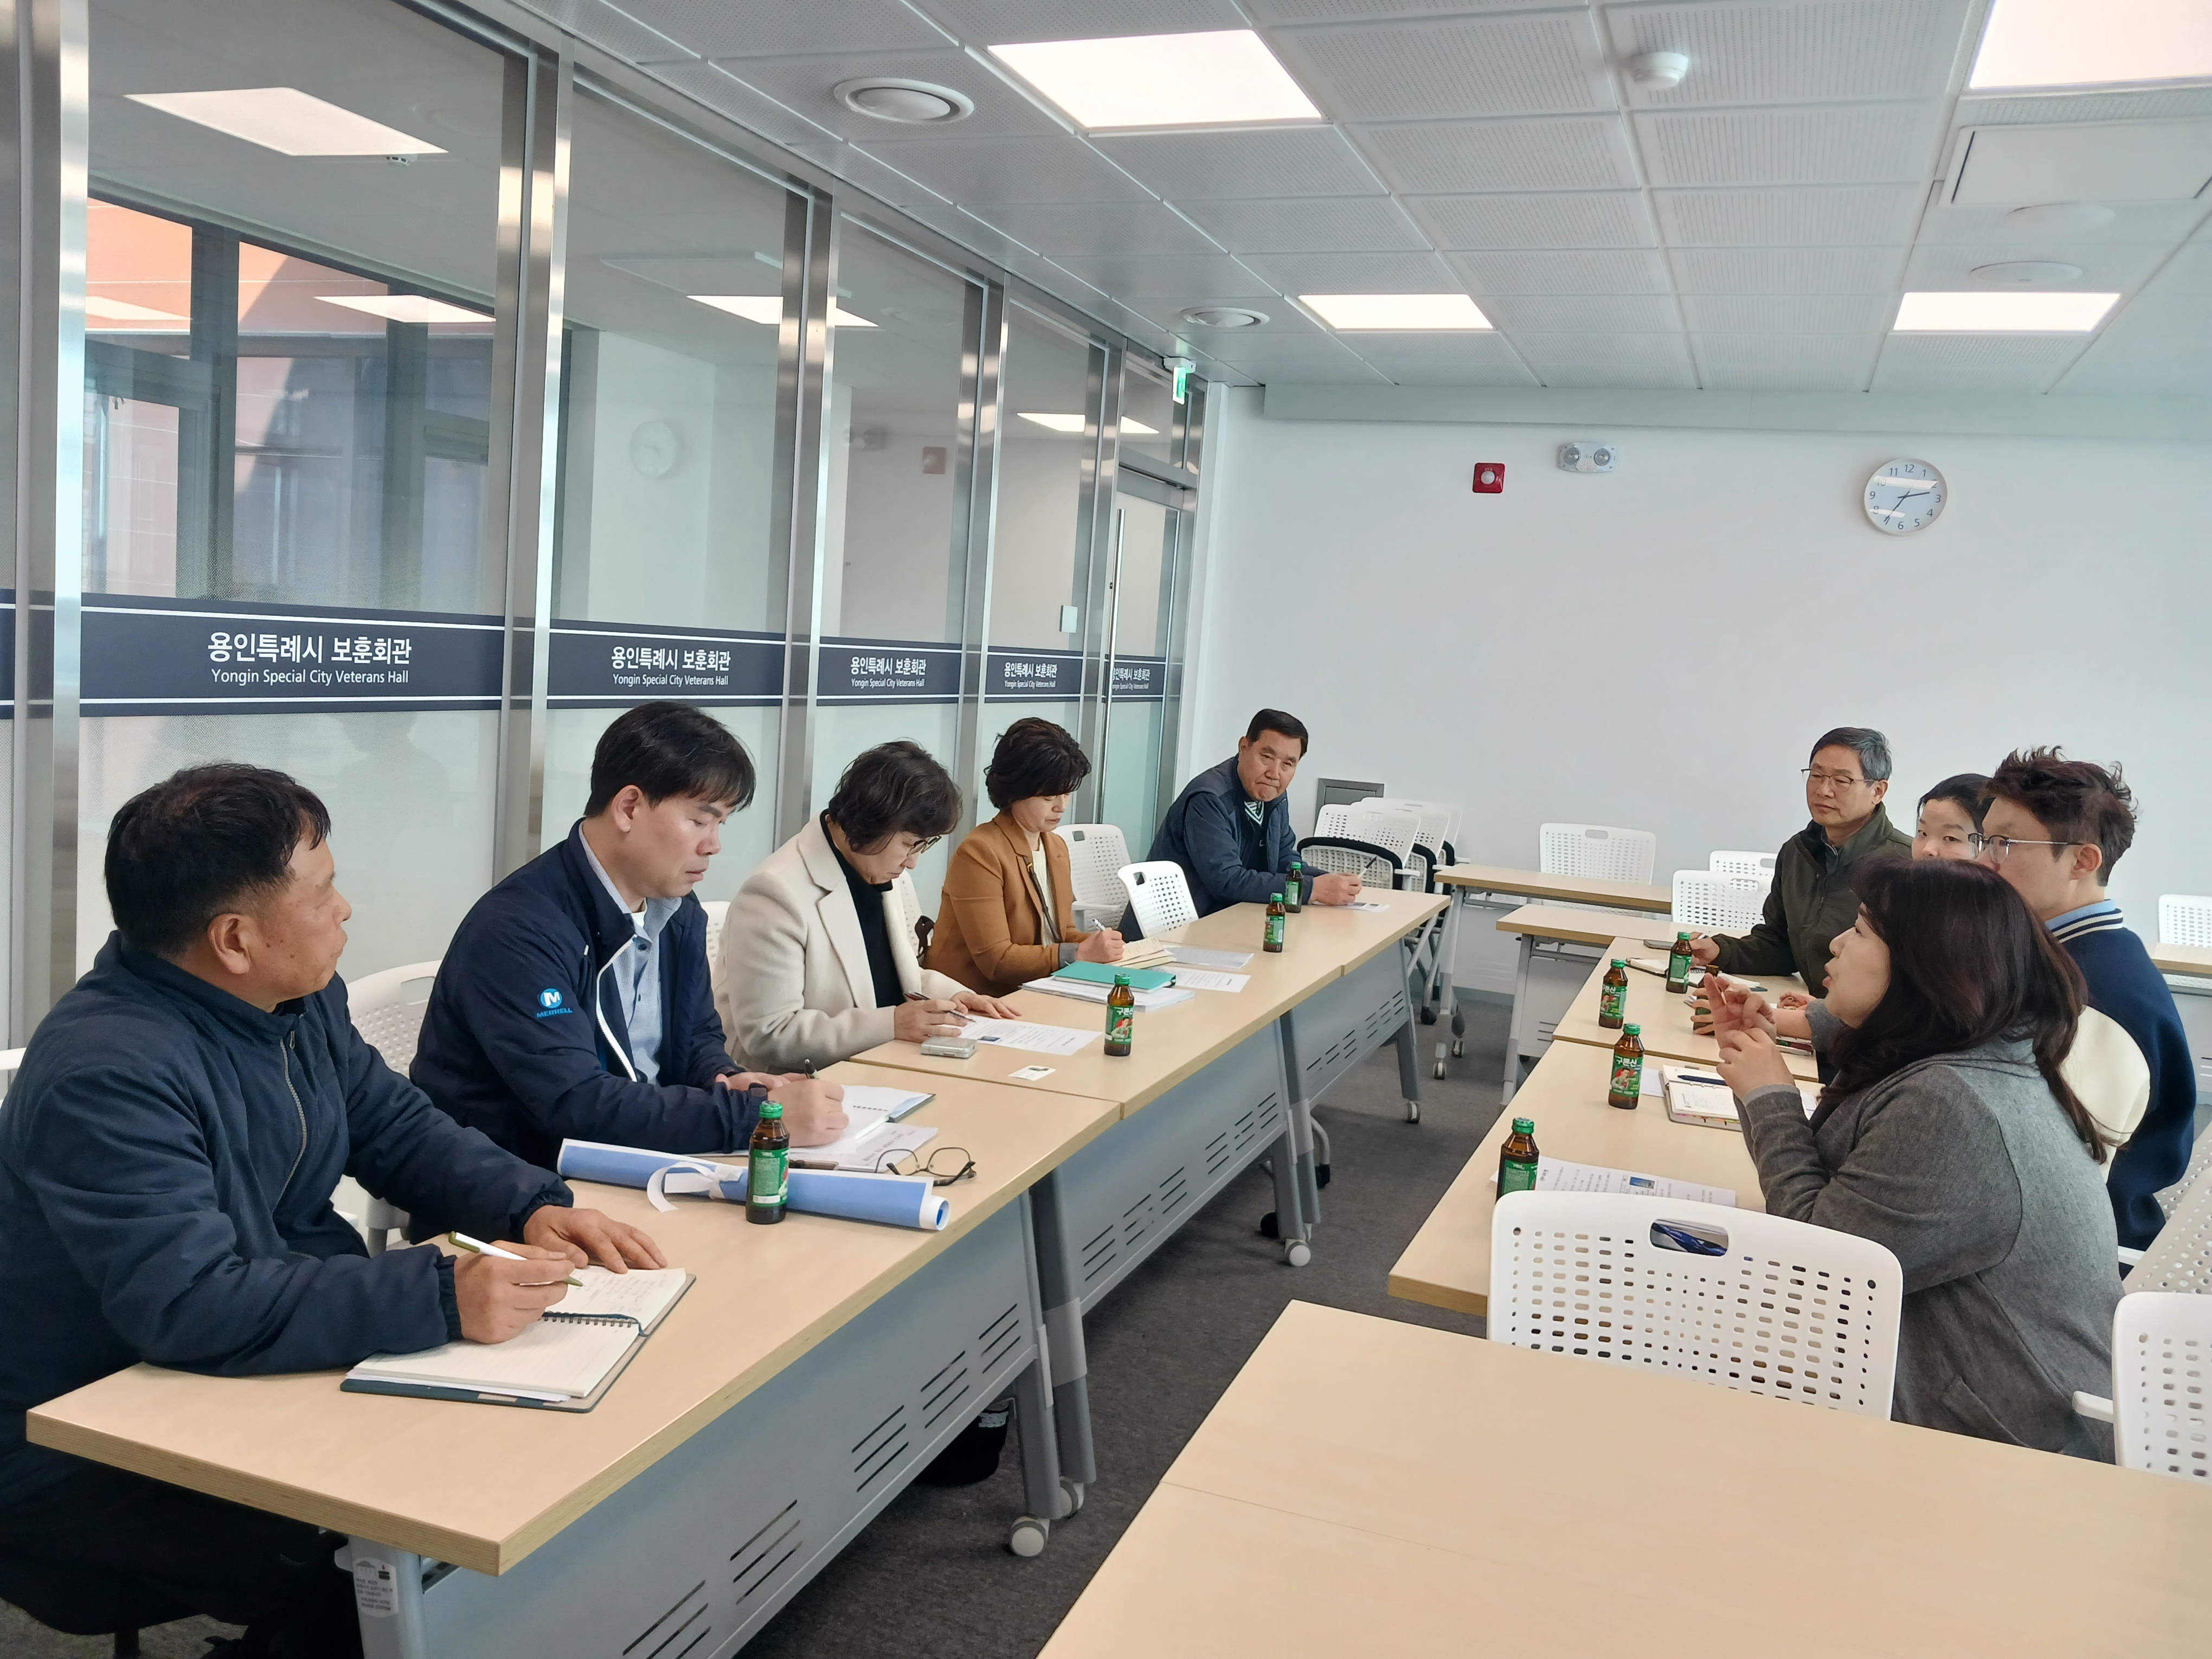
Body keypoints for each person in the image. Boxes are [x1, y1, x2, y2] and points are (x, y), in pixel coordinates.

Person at [0, 765, 662, 1656]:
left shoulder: (295, 998)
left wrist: (528, 1204)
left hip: (258, 1359)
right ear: (235, 938)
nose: (345, 910)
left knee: (498, 1465)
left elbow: (390, 1124)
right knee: (389, 1541)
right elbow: (190, 1302)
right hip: (95, 1436)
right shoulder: (108, 1073)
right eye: (321, 894)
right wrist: (440, 1294)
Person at [1712, 859, 2119, 1457]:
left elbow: (1818, 1266)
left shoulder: (1953, 1105)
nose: (1836, 944)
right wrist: (1759, 1068)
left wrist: (1769, 1096)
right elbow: (1829, 1206)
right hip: (1944, 1387)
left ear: (1921, 966)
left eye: (1860, 931)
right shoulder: (1950, 1057)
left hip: (2006, 1446)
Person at [413, 703, 844, 1178]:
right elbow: (576, 1103)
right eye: (700, 821)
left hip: (637, 1165)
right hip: (520, 1187)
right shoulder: (517, 930)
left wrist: (725, 1078)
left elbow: (697, 1036)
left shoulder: (676, 907)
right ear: (629, 808)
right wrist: (752, 1118)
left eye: (721, 824)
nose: (714, 844)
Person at [1978, 748, 2196, 1251]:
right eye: (1984, 840)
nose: (1984, 862)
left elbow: (2059, 1184)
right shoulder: (2060, 956)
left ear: (2082, 860)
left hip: (2083, 1257)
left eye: (2005, 843)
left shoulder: (2097, 996)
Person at [719, 742, 1019, 1071]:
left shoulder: (878, 868)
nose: (913, 862)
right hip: (801, 1082)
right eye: (910, 844)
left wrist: (953, 998)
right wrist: (891, 1024)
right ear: (871, 823)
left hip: (882, 1063)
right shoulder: (775, 893)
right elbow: (770, 1034)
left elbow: (891, 977)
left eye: (923, 846)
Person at [1689, 726, 1911, 993]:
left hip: (1867, 1016)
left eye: (1841, 781)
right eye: (1816, 775)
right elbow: (1781, 946)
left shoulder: (1906, 866)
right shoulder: (1798, 853)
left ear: (1878, 791)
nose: (1824, 790)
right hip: (1812, 1009)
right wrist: (1721, 951)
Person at [926, 718, 1127, 998]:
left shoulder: (1055, 846)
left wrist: (1101, 946)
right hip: (974, 999)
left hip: (1037, 990)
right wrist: (1079, 953)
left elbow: (1062, 933)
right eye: (1048, 798)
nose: (1061, 806)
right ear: (1016, 791)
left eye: (1067, 793)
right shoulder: (979, 852)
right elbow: (997, 960)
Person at [1148, 709, 1362, 922]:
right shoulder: (1209, 798)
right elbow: (1227, 881)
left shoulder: (1274, 795)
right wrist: (1310, 889)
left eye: (1287, 764)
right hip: (1180, 927)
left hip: (1233, 918)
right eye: (1267, 757)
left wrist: (1326, 880)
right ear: (1244, 747)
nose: (1274, 773)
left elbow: (1283, 859)